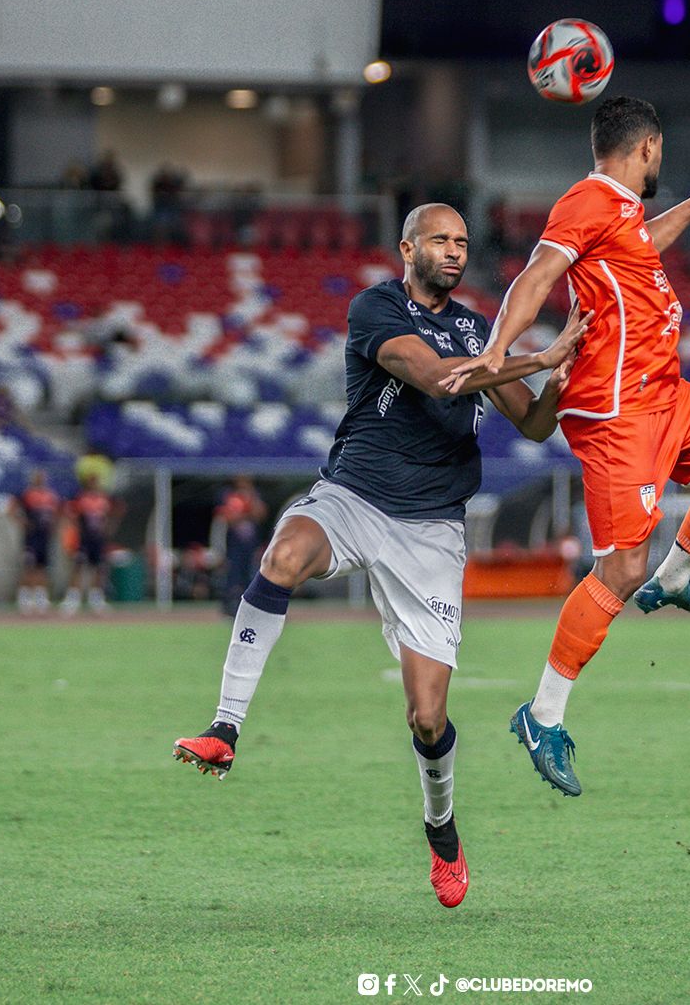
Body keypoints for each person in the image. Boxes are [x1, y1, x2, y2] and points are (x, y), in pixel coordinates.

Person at [171, 204, 590, 907]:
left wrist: (566, 372)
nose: (454, 251)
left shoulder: (477, 329)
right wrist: (534, 355)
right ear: (407, 247)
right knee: (284, 553)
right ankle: (224, 728)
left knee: (428, 718)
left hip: (431, 530)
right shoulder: (375, 307)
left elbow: (536, 423)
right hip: (355, 496)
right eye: (440, 240)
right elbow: (433, 378)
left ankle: (443, 831)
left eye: (462, 242)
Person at [443, 96, 690, 798]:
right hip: (620, 411)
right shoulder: (589, 200)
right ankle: (542, 715)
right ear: (648, 147)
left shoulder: (619, 213)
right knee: (621, 569)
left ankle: (679, 576)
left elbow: (643, 244)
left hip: (668, 394)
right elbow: (536, 275)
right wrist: (497, 352)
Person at [61, 474, 120, 615]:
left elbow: (116, 511)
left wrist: (110, 527)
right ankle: (72, 599)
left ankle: (96, 600)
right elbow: (69, 512)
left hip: (98, 540)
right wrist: (75, 528)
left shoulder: (104, 499)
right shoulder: (80, 498)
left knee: (99, 568)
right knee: (78, 567)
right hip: (84, 539)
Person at [216, 476, 268, 616]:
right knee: (234, 575)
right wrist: (242, 512)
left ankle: (254, 606)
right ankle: (230, 606)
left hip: (251, 545)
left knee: (252, 576)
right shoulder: (227, 494)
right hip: (234, 545)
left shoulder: (255, 493)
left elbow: (261, 514)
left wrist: (249, 504)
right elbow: (227, 517)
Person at [11, 469, 60, 615]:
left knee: (42, 567)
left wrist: (54, 526)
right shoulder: (26, 494)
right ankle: (24, 599)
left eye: (42, 477)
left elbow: (57, 512)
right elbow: (12, 508)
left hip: (44, 537)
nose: (40, 480)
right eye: (38, 477)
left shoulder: (51, 495)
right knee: (28, 567)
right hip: (31, 538)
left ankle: (41, 598)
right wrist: (23, 522)